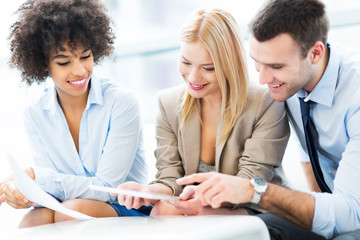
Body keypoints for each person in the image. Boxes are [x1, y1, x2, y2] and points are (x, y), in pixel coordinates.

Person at [177, 0, 360, 239]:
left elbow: (351, 214)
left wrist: (254, 190)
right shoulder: (291, 83)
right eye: (257, 62)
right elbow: (309, 154)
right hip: (338, 210)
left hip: (353, 215)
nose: (262, 79)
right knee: (247, 231)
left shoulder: (354, 95)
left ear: (315, 53)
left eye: (275, 66)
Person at [114, 8, 290, 216]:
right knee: (163, 210)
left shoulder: (265, 103)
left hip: (252, 207)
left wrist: (201, 199)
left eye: (208, 68)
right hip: (197, 206)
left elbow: (249, 181)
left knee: (187, 213)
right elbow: (170, 176)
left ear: (229, 65)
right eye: (186, 62)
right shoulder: (167, 103)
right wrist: (150, 191)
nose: (193, 78)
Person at [0, 0, 150, 228]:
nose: (79, 70)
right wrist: (24, 193)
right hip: (70, 205)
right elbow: (51, 188)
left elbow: (107, 188)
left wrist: (35, 176)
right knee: (34, 220)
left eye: (85, 56)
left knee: (71, 212)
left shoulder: (121, 102)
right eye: (64, 62)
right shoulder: (35, 111)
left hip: (124, 206)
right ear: (43, 64)